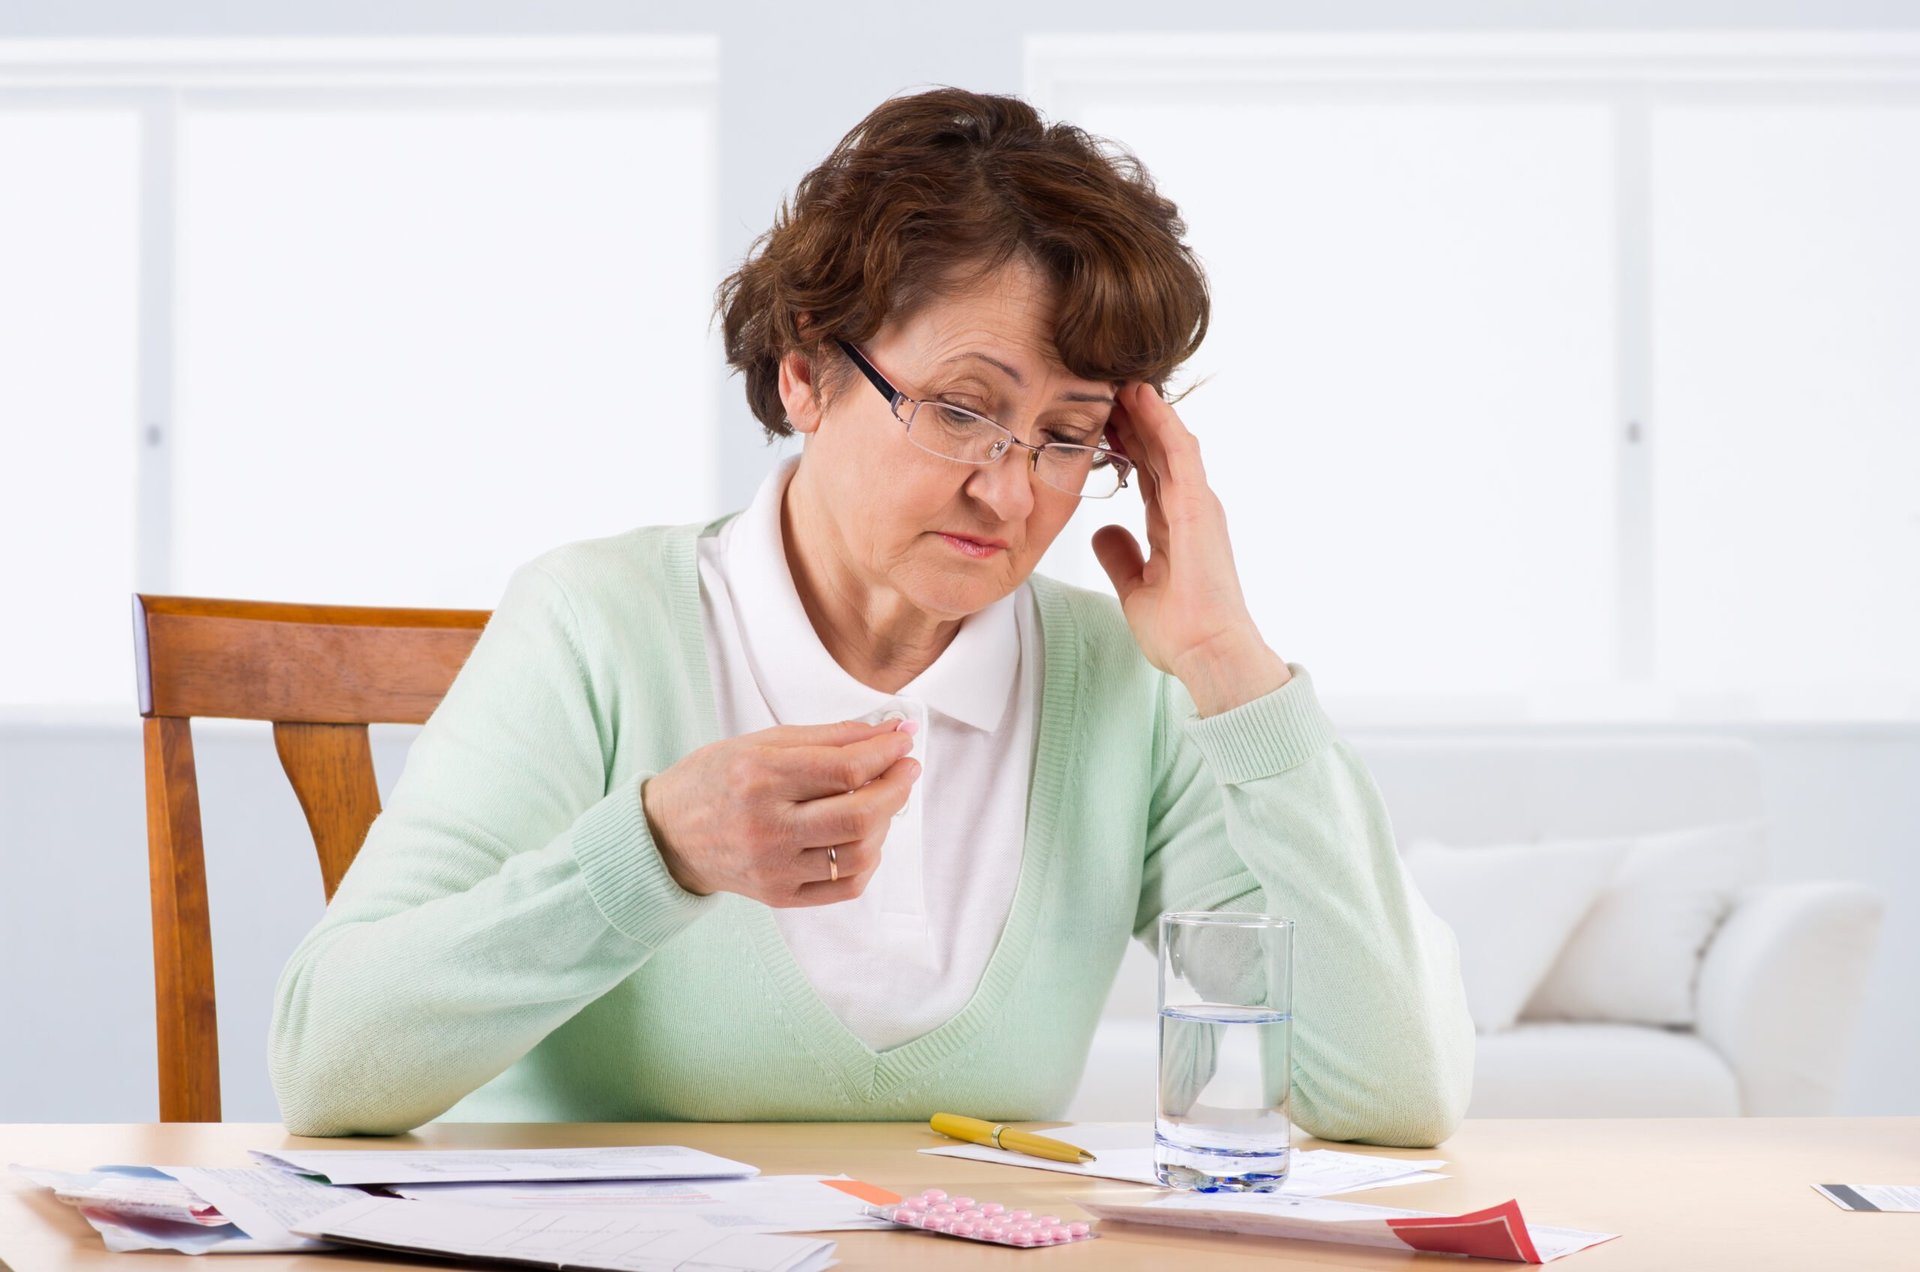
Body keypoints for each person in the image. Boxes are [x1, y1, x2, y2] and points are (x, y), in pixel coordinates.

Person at [268, 87, 1473, 1145]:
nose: (1010, 491)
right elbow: (329, 1063)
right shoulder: (596, 624)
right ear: (807, 371)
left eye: (1065, 437)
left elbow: (1395, 1093)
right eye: (960, 409)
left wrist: (1230, 667)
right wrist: (655, 853)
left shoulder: (1123, 687)